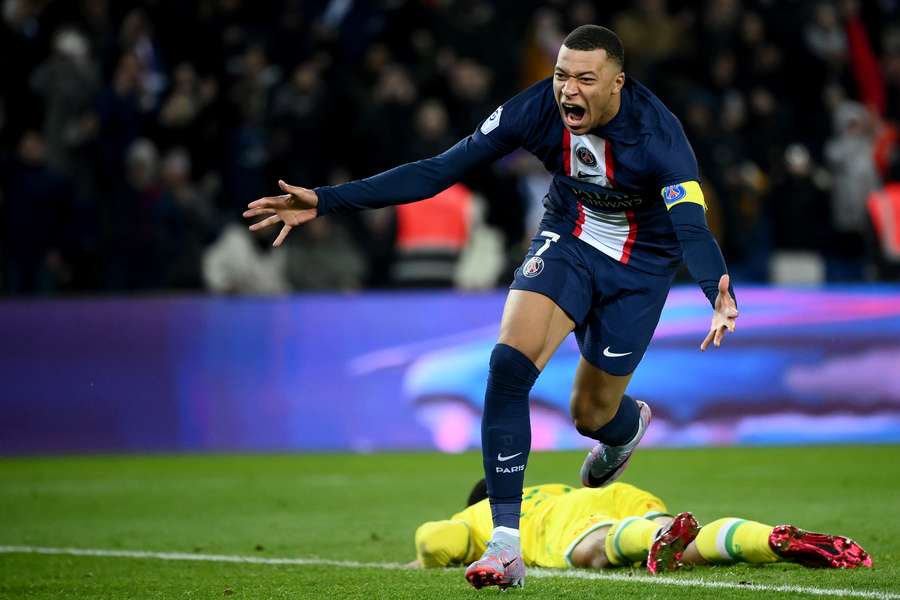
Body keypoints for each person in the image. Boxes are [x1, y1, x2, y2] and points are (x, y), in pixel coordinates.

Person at [244, 25, 739, 589]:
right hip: (568, 240)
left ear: (617, 84)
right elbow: (439, 170)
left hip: (641, 267)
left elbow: (690, 224)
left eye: (584, 78)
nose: (567, 90)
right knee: (507, 368)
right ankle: (506, 544)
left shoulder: (659, 136)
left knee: (592, 415)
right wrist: (326, 201)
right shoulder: (535, 109)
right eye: (560, 76)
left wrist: (715, 291)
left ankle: (624, 428)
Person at [409, 479, 872, 581]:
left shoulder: (485, 513)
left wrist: (425, 559)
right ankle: (768, 539)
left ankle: (651, 539)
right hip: (606, 495)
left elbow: (436, 540)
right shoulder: (548, 486)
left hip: (566, 524)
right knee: (687, 544)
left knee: (598, 550)